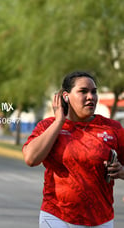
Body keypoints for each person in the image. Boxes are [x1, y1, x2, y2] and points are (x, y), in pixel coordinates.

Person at [23, 71, 124, 228]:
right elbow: (31, 158)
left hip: (100, 219)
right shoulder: (48, 126)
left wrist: (121, 171)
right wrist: (59, 122)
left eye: (94, 92)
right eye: (83, 91)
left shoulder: (113, 129)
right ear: (66, 96)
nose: (91, 97)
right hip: (56, 216)